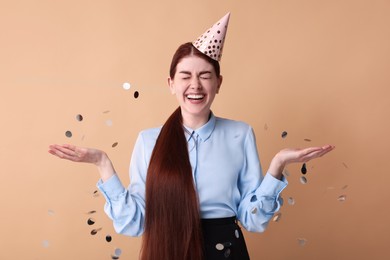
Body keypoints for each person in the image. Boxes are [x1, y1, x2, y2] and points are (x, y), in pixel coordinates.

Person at [48, 13, 334, 260]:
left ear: (218, 83)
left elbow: (254, 220)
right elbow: (134, 224)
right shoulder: (149, 141)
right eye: (185, 76)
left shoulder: (240, 134)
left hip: (227, 252)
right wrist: (103, 163)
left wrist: (277, 167)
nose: (195, 85)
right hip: (168, 249)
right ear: (171, 83)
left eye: (205, 76)